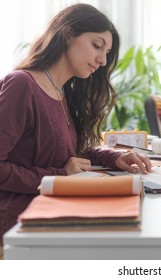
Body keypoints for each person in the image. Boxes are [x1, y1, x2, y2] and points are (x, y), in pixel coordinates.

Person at [0, 3, 152, 249]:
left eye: (107, 52)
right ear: (67, 34)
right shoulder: (22, 86)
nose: (102, 60)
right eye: (96, 45)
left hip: (57, 210)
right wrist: (60, 176)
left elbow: (68, 152)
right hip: (20, 227)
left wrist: (115, 158)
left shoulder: (63, 92)